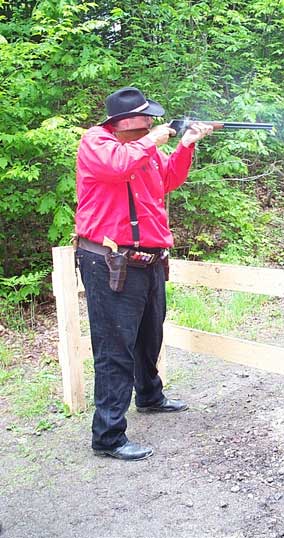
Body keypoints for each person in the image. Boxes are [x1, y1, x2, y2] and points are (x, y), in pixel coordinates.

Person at [75, 86, 213, 461]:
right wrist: (155, 138)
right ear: (123, 122)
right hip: (109, 260)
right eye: (145, 117)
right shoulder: (98, 142)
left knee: (149, 335)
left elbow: (167, 180)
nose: (152, 122)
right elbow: (117, 165)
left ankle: (150, 397)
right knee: (115, 349)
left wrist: (185, 144)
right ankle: (108, 436)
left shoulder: (142, 149)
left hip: (148, 259)